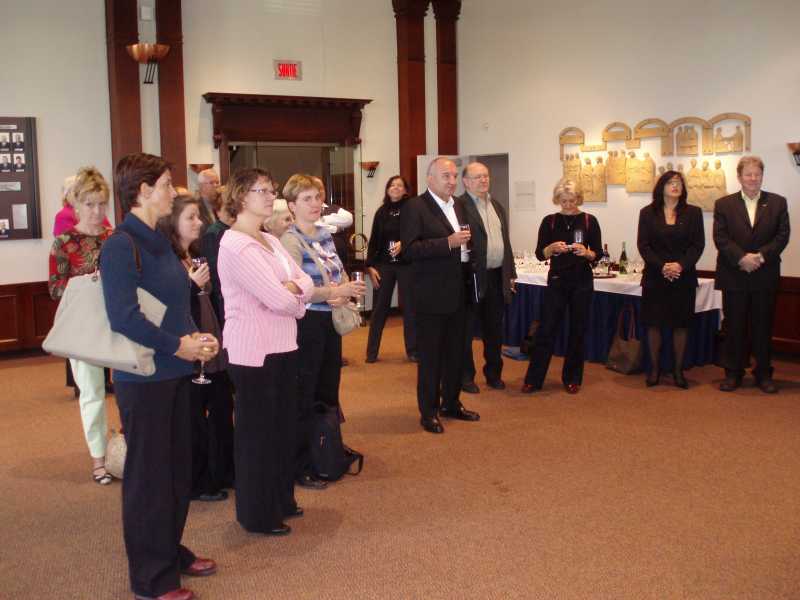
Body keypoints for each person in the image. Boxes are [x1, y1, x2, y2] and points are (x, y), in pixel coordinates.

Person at [100, 153, 220, 600]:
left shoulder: (160, 240)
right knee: (149, 479)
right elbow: (124, 317)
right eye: (168, 185)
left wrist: (197, 338)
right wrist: (178, 346)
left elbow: (173, 304)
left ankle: (169, 549)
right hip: (144, 378)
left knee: (176, 472)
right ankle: (151, 578)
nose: (174, 192)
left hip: (175, 371)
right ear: (144, 191)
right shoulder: (121, 244)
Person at [217, 168, 314, 535]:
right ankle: (258, 514)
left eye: (272, 190)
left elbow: (303, 280)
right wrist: (292, 295)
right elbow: (278, 298)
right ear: (241, 197)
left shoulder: (270, 239)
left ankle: (280, 500)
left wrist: (292, 291)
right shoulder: (235, 244)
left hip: (284, 344)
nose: (271, 196)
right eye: (263, 190)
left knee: (282, 430)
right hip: (253, 353)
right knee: (257, 437)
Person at [280, 174, 366, 487]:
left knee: (328, 391)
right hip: (307, 324)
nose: (315, 204)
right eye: (307, 199)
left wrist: (345, 289)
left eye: (317, 197)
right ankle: (301, 464)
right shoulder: (289, 241)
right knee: (305, 394)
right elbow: (294, 290)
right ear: (292, 206)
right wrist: (334, 292)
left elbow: (338, 271)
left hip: (329, 321)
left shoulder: (324, 234)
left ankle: (325, 451)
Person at [158, 195, 234, 502]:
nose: (198, 223)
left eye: (198, 217)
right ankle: (198, 481)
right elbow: (164, 308)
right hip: (185, 347)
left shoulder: (197, 253)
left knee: (221, 407)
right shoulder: (165, 259)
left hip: (209, 336)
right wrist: (190, 285)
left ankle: (223, 472)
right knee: (193, 418)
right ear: (172, 222)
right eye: (190, 217)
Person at [400, 157, 480, 434]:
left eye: (454, 176)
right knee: (431, 358)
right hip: (431, 294)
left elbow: (466, 242)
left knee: (456, 353)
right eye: (446, 176)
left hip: (459, 290)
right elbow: (410, 249)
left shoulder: (459, 205)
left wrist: (468, 250)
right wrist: (447, 243)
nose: (452, 181)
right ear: (430, 178)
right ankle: (429, 412)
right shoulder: (415, 207)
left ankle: (452, 403)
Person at [48, 166, 114, 485]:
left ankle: (128, 448)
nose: (97, 211)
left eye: (102, 204)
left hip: (118, 322)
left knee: (130, 390)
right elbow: (55, 288)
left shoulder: (114, 239)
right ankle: (99, 459)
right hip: (82, 327)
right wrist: (89, 283)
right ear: (76, 204)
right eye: (90, 204)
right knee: (92, 392)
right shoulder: (64, 243)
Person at [713, 156, 790, 393]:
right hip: (734, 274)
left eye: (757, 174)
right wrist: (741, 258)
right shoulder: (723, 204)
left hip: (764, 274)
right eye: (748, 174)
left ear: (762, 176)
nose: (753, 178)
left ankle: (763, 374)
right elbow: (721, 237)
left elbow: (782, 236)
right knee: (734, 327)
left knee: (763, 328)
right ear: (739, 177)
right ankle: (733, 373)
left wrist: (760, 257)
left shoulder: (777, 202)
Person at [522, 178, 601, 395]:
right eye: (564, 200)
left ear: (579, 199)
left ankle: (572, 378)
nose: (568, 205)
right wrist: (551, 248)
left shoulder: (589, 221)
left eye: (572, 200)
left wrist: (587, 253)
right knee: (546, 329)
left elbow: (598, 254)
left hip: (582, 280)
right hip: (557, 280)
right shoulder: (549, 221)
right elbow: (540, 254)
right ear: (557, 199)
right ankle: (533, 379)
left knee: (578, 330)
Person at [637, 170, 704, 388]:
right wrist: (663, 266)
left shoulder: (693, 213)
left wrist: (680, 265)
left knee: (681, 325)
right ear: (662, 187)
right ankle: (655, 370)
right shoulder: (647, 213)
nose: (675, 186)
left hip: (683, 277)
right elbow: (644, 245)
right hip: (655, 277)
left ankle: (678, 371)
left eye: (679, 183)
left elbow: (697, 245)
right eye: (670, 182)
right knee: (654, 324)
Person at [456, 162, 516, 393]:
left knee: (494, 330)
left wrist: (510, 273)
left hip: (497, 276)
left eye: (486, 176)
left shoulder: (497, 206)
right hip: (471, 277)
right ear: (466, 181)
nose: (483, 180)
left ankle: (493, 374)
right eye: (477, 177)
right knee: (466, 331)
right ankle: (466, 377)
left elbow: (505, 243)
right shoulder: (459, 206)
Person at [365, 175, 417, 363]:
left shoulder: (412, 209)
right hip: (384, 265)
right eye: (392, 185)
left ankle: (413, 351)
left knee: (410, 309)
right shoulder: (381, 212)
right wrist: (370, 265)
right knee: (379, 309)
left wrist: (405, 242)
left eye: (399, 185)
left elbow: (419, 233)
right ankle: (371, 353)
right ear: (387, 190)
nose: (395, 188)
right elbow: (374, 240)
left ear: (405, 190)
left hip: (406, 265)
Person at [201, 184, 234, 325]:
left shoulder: (236, 229)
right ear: (218, 210)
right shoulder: (214, 233)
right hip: (223, 297)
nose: (233, 211)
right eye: (228, 207)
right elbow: (215, 271)